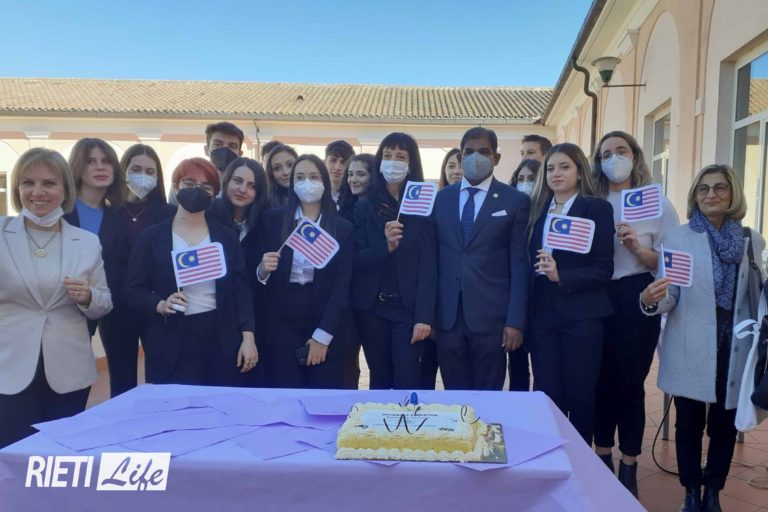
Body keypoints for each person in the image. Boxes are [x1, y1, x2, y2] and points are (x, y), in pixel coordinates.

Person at [640, 164, 763, 512]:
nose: (711, 194)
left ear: (733, 193)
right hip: (690, 343)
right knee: (688, 425)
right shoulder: (677, 239)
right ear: (695, 196)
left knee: (724, 426)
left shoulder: (751, 240)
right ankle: (691, 492)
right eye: (703, 189)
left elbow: (755, 295)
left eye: (720, 187)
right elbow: (670, 294)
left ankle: (714, 492)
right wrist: (650, 299)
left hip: (735, 346)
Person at [0, 148, 112, 448]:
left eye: (49, 183)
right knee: (11, 456)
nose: (38, 192)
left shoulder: (86, 242)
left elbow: (104, 302)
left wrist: (88, 297)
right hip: (8, 368)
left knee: (59, 457)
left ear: (65, 189)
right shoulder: (1, 233)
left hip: (69, 372)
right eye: (28, 183)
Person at [590, 131, 679, 497]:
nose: (614, 159)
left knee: (629, 383)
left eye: (621, 151)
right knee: (599, 381)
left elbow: (670, 261)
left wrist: (636, 248)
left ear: (635, 155)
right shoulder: (591, 201)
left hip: (636, 293)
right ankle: (602, 457)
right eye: (606, 154)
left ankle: (629, 464)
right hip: (596, 295)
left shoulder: (657, 203)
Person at [124, 158, 257, 386]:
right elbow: (132, 290)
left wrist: (248, 337)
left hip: (221, 341)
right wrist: (159, 304)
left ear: (215, 193)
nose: (197, 190)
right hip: (170, 342)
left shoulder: (226, 237)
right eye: (189, 183)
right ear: (176, 187)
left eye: (205, 186)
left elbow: (241, 291)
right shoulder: (151, 237)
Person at [527, 142, 614, 444]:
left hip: (582, 315)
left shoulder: (597, 208)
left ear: (579, 172)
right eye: (550, 168)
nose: (556, 173)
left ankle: (579, 462)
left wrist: (561, 275)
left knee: (581, 394)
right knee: (546, 393)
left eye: (564, 167)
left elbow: (604, 269)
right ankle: (549, 457)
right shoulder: (536, 210)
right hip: (542, 315)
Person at [433, 127, 530, 391]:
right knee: (455, 397)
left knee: (488, 397)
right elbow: (431, 259)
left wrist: (515, 321)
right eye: (469, 152)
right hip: (448, 318)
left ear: (496, 158)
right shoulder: (441, 199)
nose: (475, 157)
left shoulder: (515, 201)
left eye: (484, 152)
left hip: (492, 318)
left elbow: (519, 265)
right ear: (460, 156)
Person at [250, 154, 354, 389]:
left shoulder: (342, 228)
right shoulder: (273, 220)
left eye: (314, 177)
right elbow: (256, 274)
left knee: (321, 391)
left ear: (324, 181)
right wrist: (262, 270)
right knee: (285, 387)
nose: (307, 182)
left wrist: (322, 336)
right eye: (300, 177)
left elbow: (341, 287)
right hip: (282, 317)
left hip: (323, 316)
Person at [352, 133, 436, 389]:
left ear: (411, 164)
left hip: (408, 311)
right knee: (379, 380)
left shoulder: (423, 206)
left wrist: (424, 316)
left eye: (400, 157)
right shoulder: (364, 206)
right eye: (387, 156)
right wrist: (385, 246)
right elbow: (356, 258)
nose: (393, 162)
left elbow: (429, 265)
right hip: (373, 309)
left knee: (407, 379)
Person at [98, 144, 175, 397]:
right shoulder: (107, 212)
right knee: (121, 382)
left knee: (161, 379)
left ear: (158, 177)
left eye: (150, 171)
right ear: (124, 171)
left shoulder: (169, 215)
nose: (143, 176)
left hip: (156, 308)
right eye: (136, 169)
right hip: (115, 311)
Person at [63, 138, 123, 340]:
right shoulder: (60, 211)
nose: (100, 167)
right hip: (57, 310)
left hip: (94, 311)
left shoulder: (118, 218)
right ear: (78, 167)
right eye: (90, 161)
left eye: (106, 161)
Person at [210, 157, 268, 244]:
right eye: (238, 181)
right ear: (227, 181)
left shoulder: (264, 221)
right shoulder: (209, 215)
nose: (242, 190)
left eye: (251, 186)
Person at [338, 153, 376, 221]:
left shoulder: (381, 211)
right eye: (350, 174)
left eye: (360, 175)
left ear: (373, 177)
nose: (353, 180)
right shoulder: (343, 205)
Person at [325, 140, 355, 205]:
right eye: (333, 160)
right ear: (325, 162)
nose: (337, 167)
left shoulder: (355, 196)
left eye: (343, 162)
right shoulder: (316, 193)